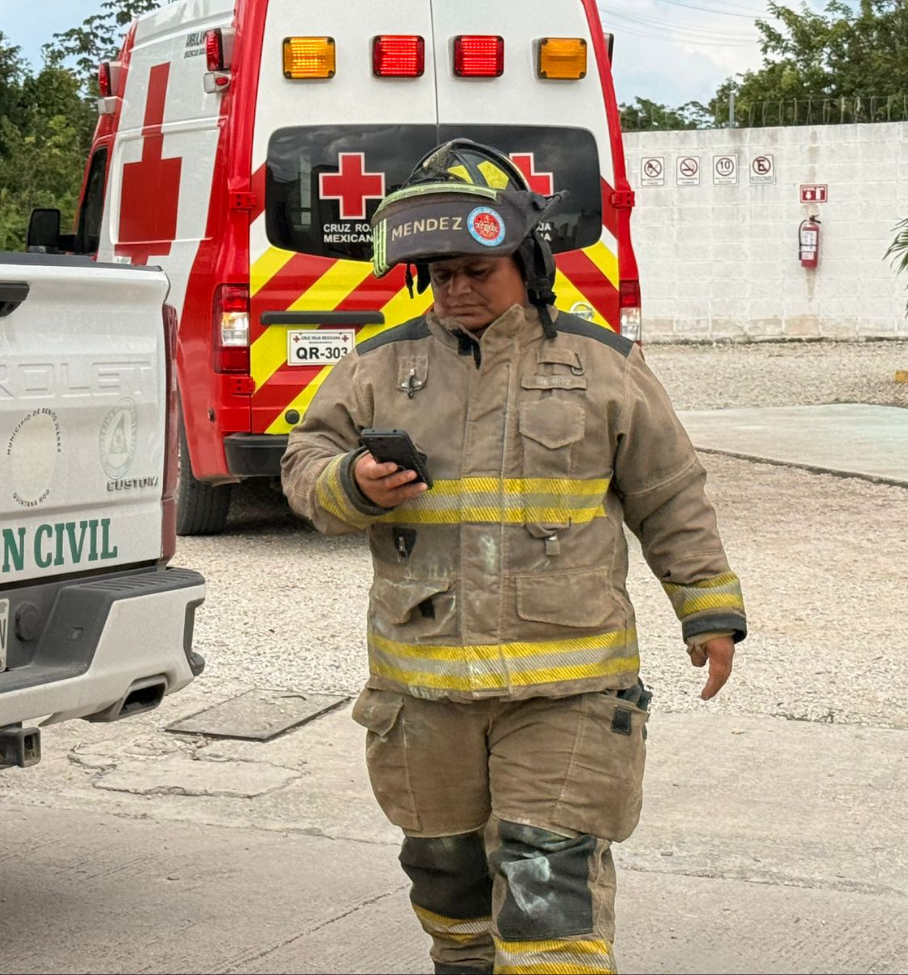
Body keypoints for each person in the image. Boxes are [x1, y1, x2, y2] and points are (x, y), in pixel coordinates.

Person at [281, 141, 746, 975]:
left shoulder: (604, 366)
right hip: (424, 689)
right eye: (441, 273)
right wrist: (351, 482)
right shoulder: (381, 368)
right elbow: (303, 462)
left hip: (565, 690)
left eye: (476, 270)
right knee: (448, 888)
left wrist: (708, 610)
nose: (457, 289)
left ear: (526, 264)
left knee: (549, 889)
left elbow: (670, 492)